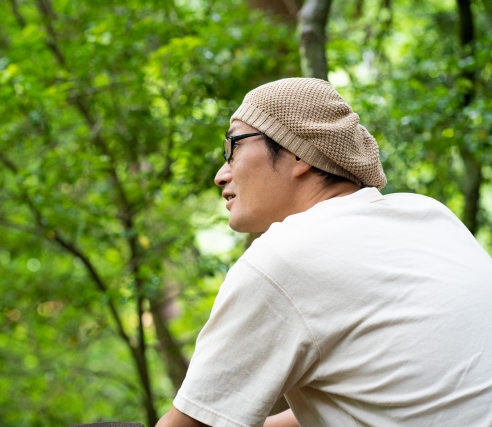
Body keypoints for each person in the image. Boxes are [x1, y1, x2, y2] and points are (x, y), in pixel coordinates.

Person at [156, 78, 492, 427]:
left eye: (233, 146)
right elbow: (392, 399)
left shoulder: (283, 258)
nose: (221, 175)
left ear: (298, 151)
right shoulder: (425, 214)